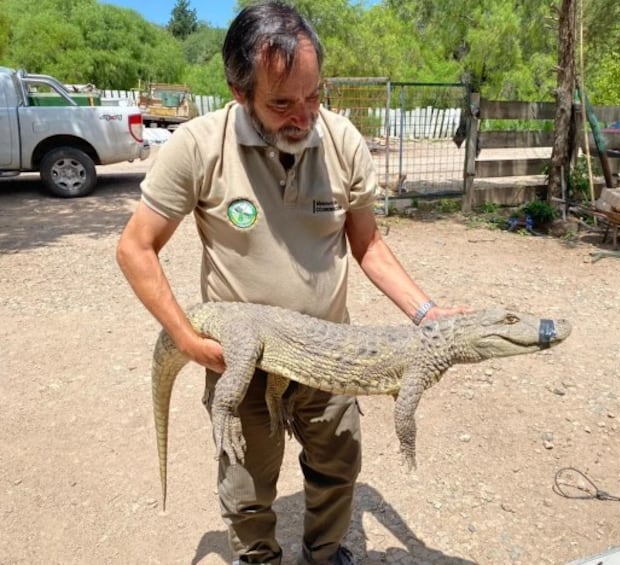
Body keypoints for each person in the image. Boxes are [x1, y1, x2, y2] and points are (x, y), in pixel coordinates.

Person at [116, 2, 465, 563]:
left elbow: (368, 244)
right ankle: (259, 558)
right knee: (247, 483)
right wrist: (185, 339)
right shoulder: (198, 146)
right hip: (245, 357)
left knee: (338, 464)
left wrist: (426, 314)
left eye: (314, 95)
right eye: (282, 102)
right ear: (238, 89)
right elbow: (136, 247)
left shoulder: (343, 140)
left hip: (333, 350)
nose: (303, 115)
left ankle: (326, 554)